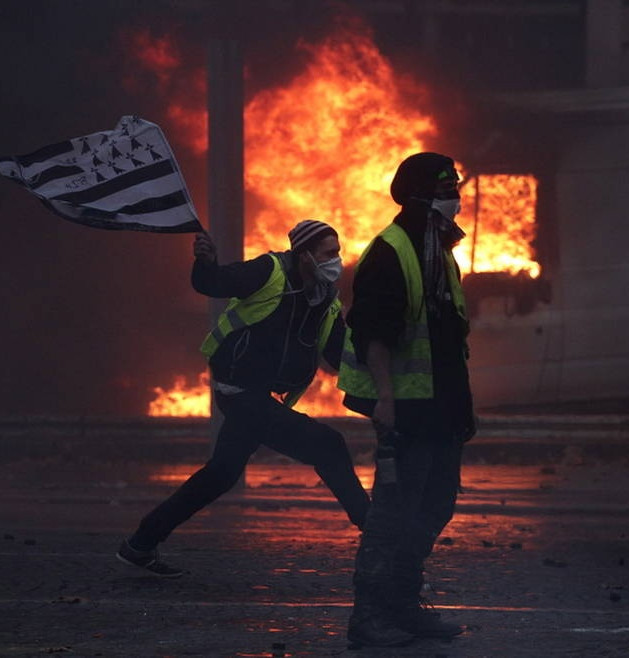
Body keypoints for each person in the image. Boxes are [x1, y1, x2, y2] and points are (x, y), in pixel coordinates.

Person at [117, 220, 370, 577]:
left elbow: (337, 354)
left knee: (221, 474)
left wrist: (378, 361)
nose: (337, 260)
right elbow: (212, 283)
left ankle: (140, 544)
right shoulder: (270, 271)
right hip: (239, 390)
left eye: (338, 252)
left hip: (261, 397)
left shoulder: (325, 298)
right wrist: (206, 261)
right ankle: (376, 534)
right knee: (328, 445)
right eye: (329, 253)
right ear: (305, 255)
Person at [338, 153, 476, 647]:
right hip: (408, 409)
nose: (455, 196)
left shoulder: (439, 251)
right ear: (419, 196)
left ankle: (401, 603)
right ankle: (369, 616)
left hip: (442, 406)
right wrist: (387, 403)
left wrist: (461, 409)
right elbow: (375, 334)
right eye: (446, 188)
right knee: (394, 513)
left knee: (435, 506)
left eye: (455, 186)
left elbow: (445, 334)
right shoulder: (391, 252)